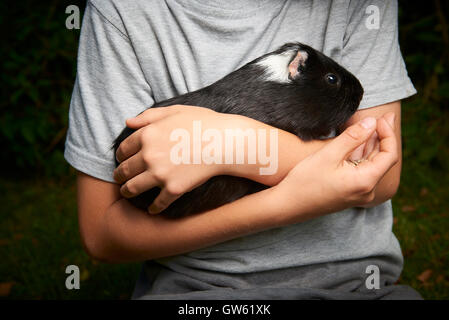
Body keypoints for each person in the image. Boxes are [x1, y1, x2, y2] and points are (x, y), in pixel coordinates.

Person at [65, 0, 422, 299]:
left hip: (357, 288)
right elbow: (102, 233)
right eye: (331, 81)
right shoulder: (123, 11)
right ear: (294, 71)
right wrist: (287, 201)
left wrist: (235, 144)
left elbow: (379, 171)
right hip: (200, 294)